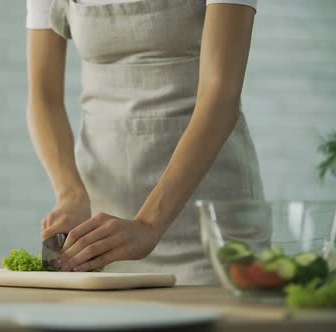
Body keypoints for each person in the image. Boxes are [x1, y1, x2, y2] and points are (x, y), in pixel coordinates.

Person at [26, 0, 263, 284]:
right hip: (105, 229)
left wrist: (149, 223)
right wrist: (70, 194)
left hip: (209, 221)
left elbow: (221, 96)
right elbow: (44, 99)